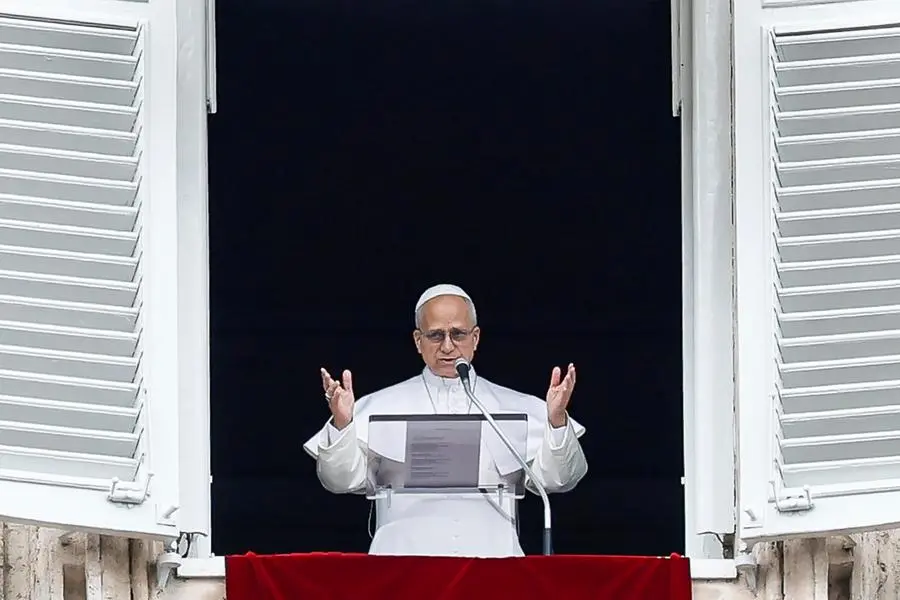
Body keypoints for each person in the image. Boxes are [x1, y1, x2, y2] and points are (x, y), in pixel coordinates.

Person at [303, 284, 588, 557]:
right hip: (402, 567)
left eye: (458, 334)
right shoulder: (379, 406)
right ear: (418, 341)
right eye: (436, 335)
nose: (448, 347)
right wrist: (342, 425)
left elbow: (559, 481)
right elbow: (338, 481)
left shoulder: (518, 406)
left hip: (493, 566)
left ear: (475, 338)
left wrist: (556, 421)